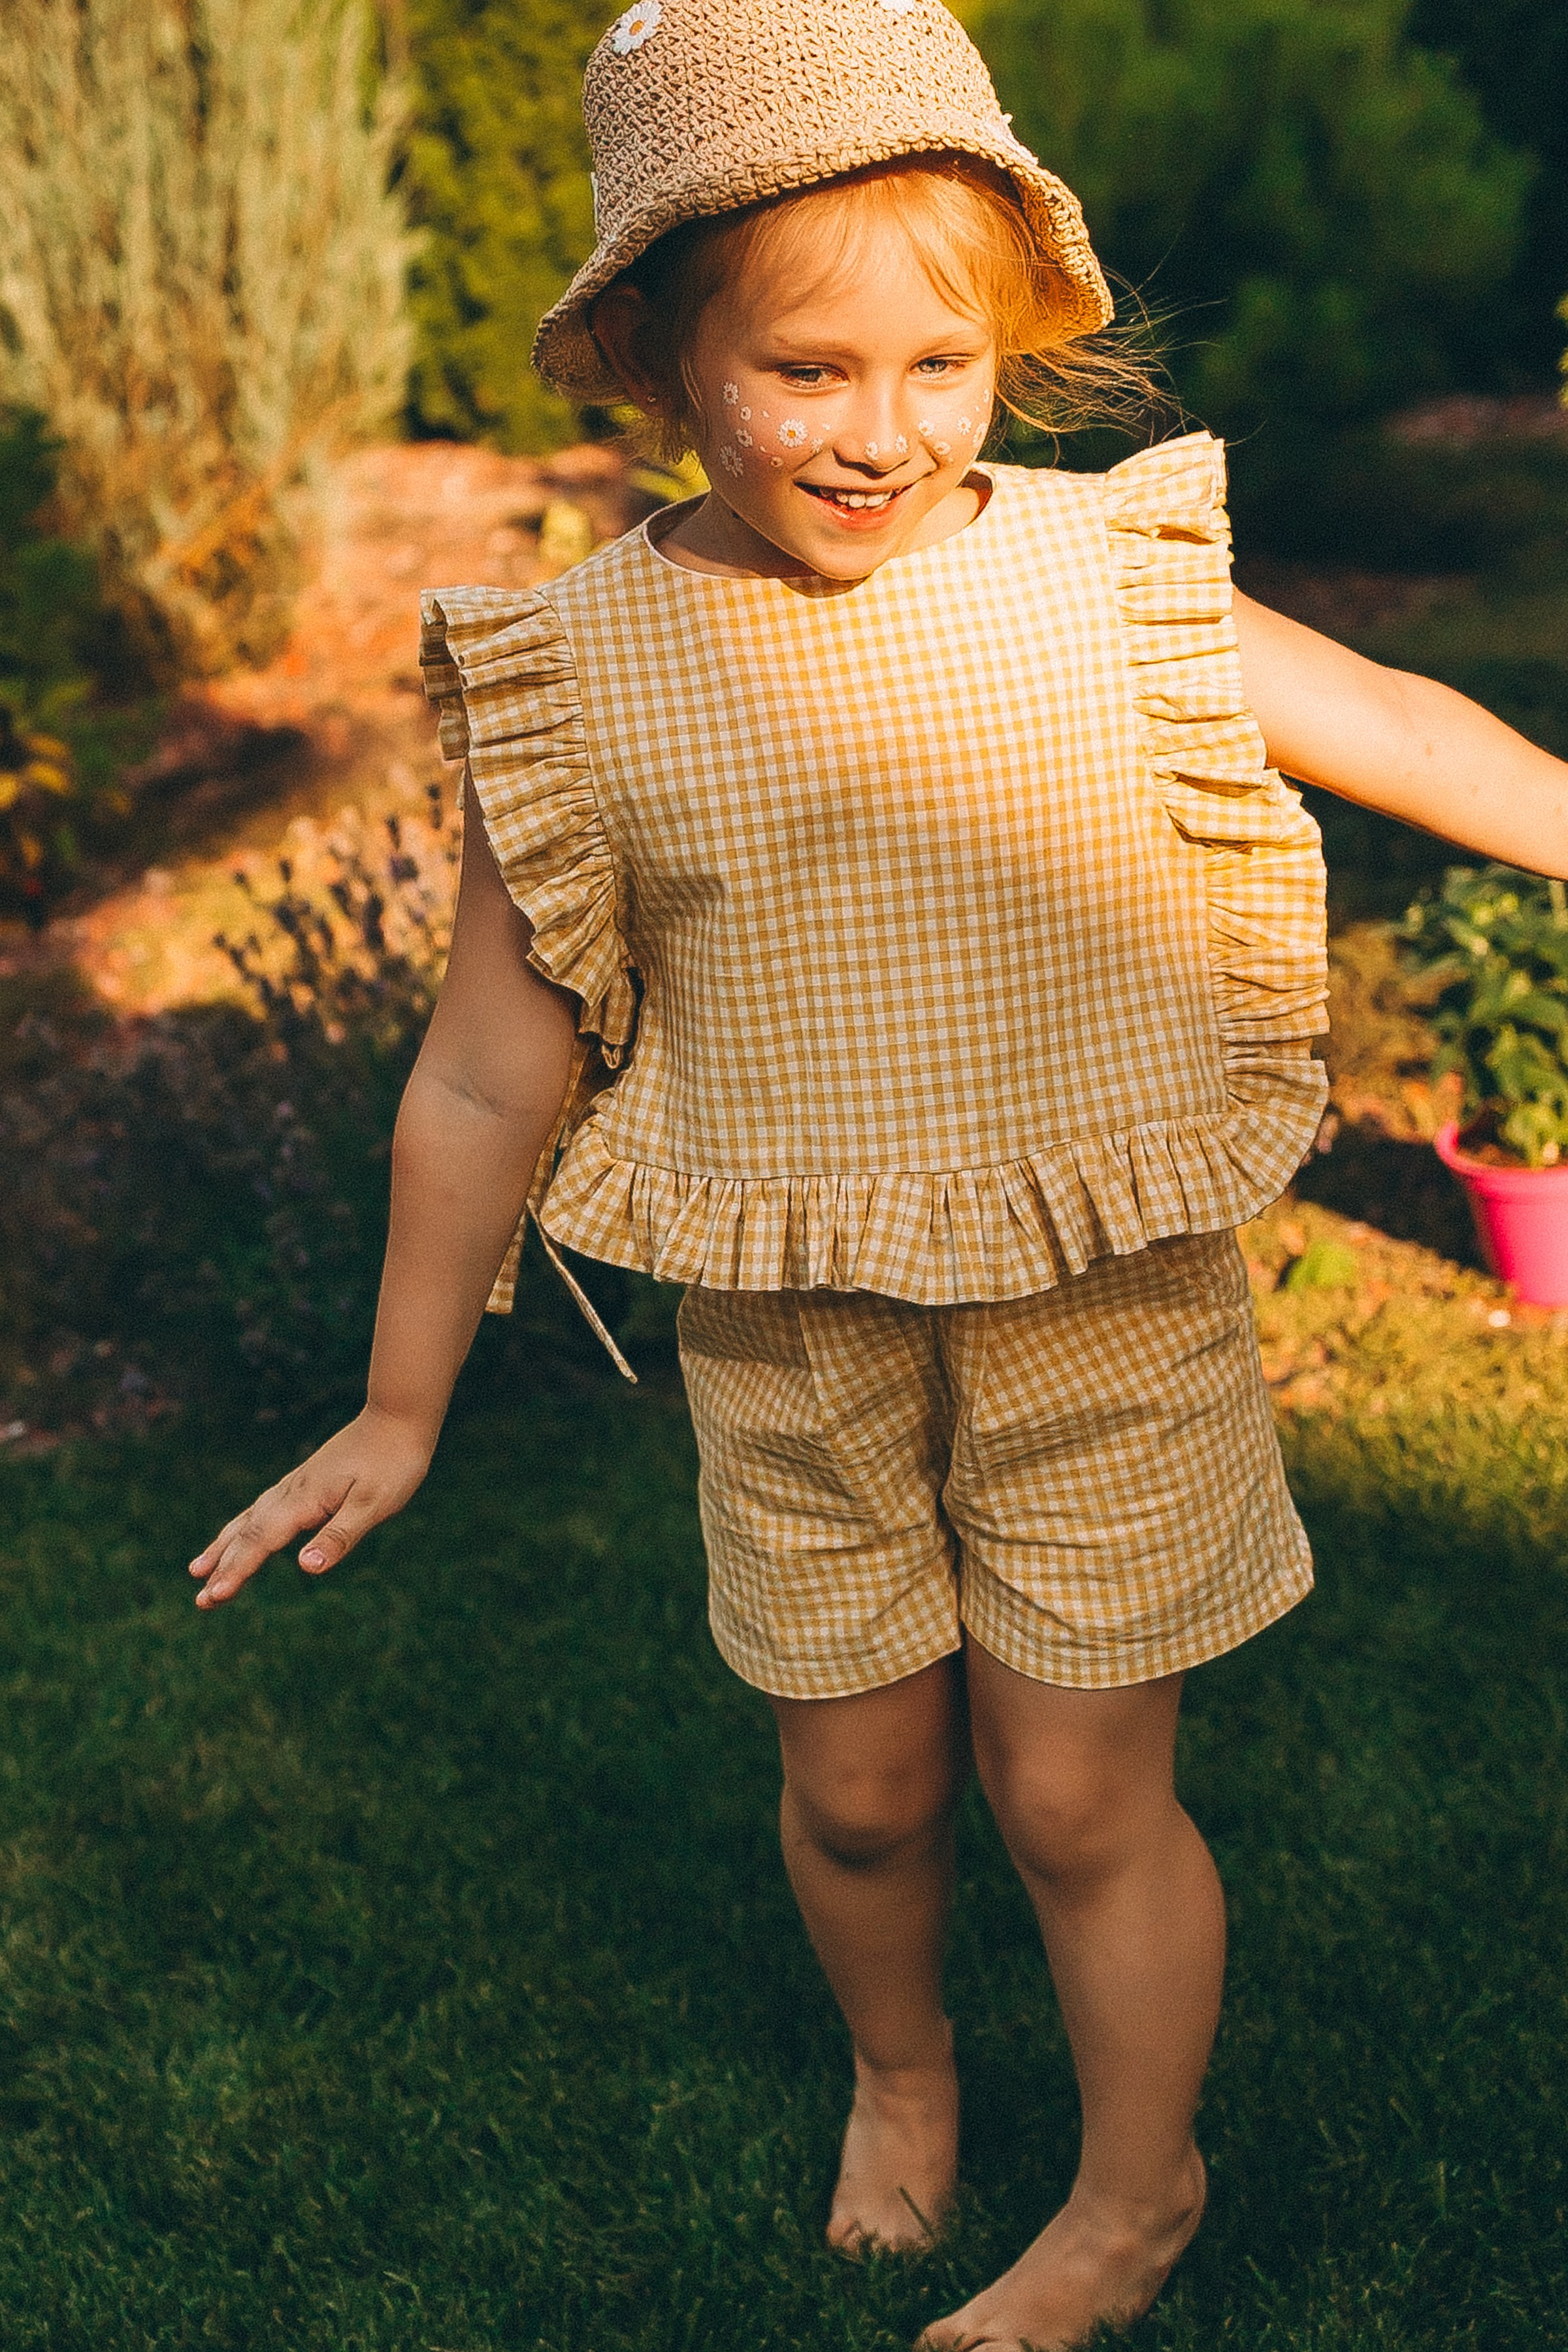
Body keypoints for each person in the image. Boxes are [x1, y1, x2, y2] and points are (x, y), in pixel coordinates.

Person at [188, 2, 1568, 2344]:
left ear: (1012, 342)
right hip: (794, 1330)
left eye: (943, 362)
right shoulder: (584, 667)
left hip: (1096, 1306)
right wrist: (405, 1400)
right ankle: (902, 2075)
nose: (886, 431)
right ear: (656, 352)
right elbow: (480, 1073)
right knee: (857, 1794)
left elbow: (1416, 730)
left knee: (1070, 1795)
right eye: (808, 370)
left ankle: (1140, 2196)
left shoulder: (1091, 578)